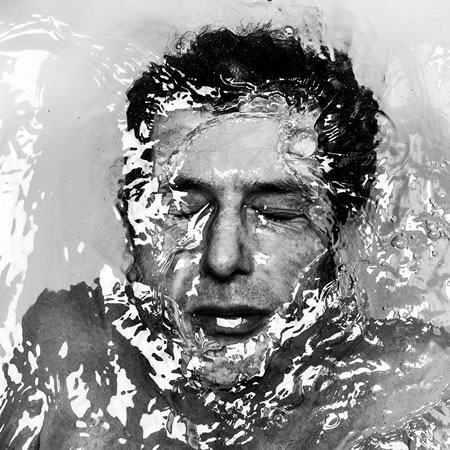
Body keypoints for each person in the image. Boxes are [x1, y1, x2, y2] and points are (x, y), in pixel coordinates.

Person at [1, 25, 449, 449]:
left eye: (276, 213)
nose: (221, 257)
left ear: (345, 234)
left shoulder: (421, 389)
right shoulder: (63, 352)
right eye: (183, 209)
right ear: (130, 224)